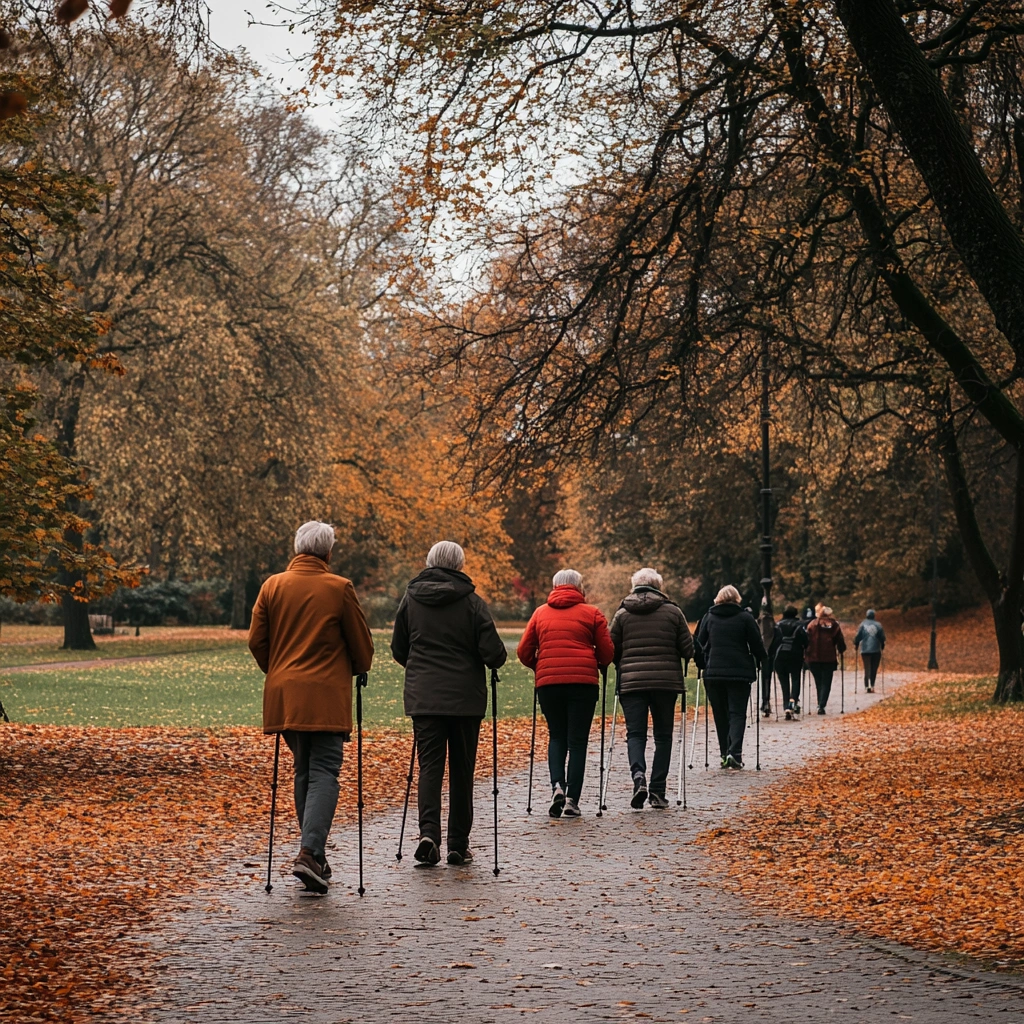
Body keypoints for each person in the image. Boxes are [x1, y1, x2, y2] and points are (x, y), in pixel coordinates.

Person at [248, 520, 375, 895]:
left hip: (285, 696)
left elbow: (257, 640)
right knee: (323, 770)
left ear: (297, 548)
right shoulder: (339, 588)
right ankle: (310, 852)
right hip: (325, 696)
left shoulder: (272, 586)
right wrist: (358, 666)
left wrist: (278, 669)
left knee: (304, 769)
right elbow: (362, 646)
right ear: (328, 552)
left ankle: (314, 856)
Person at [390, 541, 507, 867]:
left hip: (425, 697)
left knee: (429, 768)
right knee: (461, 770)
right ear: (459, 564)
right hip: (465, 700)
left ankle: (429, 833)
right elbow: (494, 654)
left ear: (430, 562)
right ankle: (458, 843)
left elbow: (399, 648)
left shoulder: (411, 600)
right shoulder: (472, 602)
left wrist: (421, 668)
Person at [516, 569, 614, 818]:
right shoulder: (592, 613)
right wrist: (595, 661)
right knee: (577, 741)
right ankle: (572, 800)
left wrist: (540, 665)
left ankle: (557, 785)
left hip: (549, 683)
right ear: (580, 588)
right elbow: (607, 654)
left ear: (555, 586)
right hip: (583, 683)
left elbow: (523, 651)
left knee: (556, 736)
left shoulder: (540, 613)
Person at [610, 568, 695, 807]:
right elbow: (688, 650)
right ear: (658, 586)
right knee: (663, 737)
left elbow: (610, 649)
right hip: (665, 684)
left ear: (634, 586)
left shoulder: (622, 614)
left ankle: (638, 777)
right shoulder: (673, 612)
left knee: (635, 734)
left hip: (632, 683)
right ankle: (658, 791)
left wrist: (622, 663)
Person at [696, 585, 766, 769]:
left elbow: (698, 642)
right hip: (739, 673)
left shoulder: (708, 617)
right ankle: (735, 753)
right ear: (737, 599)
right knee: (737, 713)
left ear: (717, 599)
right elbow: (756, 643)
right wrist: (762, 659)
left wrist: (701, 663)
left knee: (720, 714)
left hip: (714, 674)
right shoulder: (745, 618)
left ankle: (724, 753)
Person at [805, 603, 846, 714]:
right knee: (826, 682)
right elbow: (840, 641)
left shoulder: (812, 624)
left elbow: (806, 639)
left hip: (813, 658)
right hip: (829, 658)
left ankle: (820, 703)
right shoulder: (834, 625)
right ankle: (821, 705)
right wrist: (841, 649)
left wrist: (805, 653)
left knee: (819, 681)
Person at [772, 605, 808, 719]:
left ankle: (786, 705)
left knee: (784, 683)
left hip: (780, 656)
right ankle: (793, 702)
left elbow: (773, 640)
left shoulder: (777, 625)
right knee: (796, 679)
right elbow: (806, 641)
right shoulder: (800, 626)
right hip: (795, 655)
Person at [854, 609, 886, 693]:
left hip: (865, 649)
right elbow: (882, 637)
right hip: (876, 649)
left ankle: (866, 685)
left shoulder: (863, 625)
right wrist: (882, 644)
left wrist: (856, 644)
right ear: (874, 616)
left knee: (867, 667)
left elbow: (858, 636)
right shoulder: (878, 625)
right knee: (874, 668)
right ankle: (872, 685)